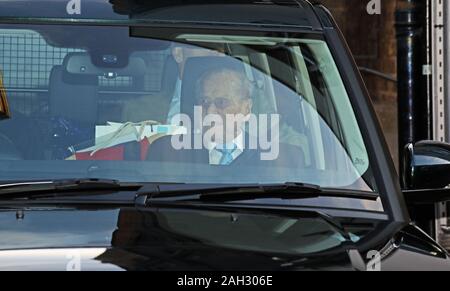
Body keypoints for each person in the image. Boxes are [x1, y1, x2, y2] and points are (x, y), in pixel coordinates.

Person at [147, 68, 305, 167]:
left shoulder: (283, 160)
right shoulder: (167, 154)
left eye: (221, 103)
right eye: (204, 102)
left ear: (246, 108)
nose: (210, 112)